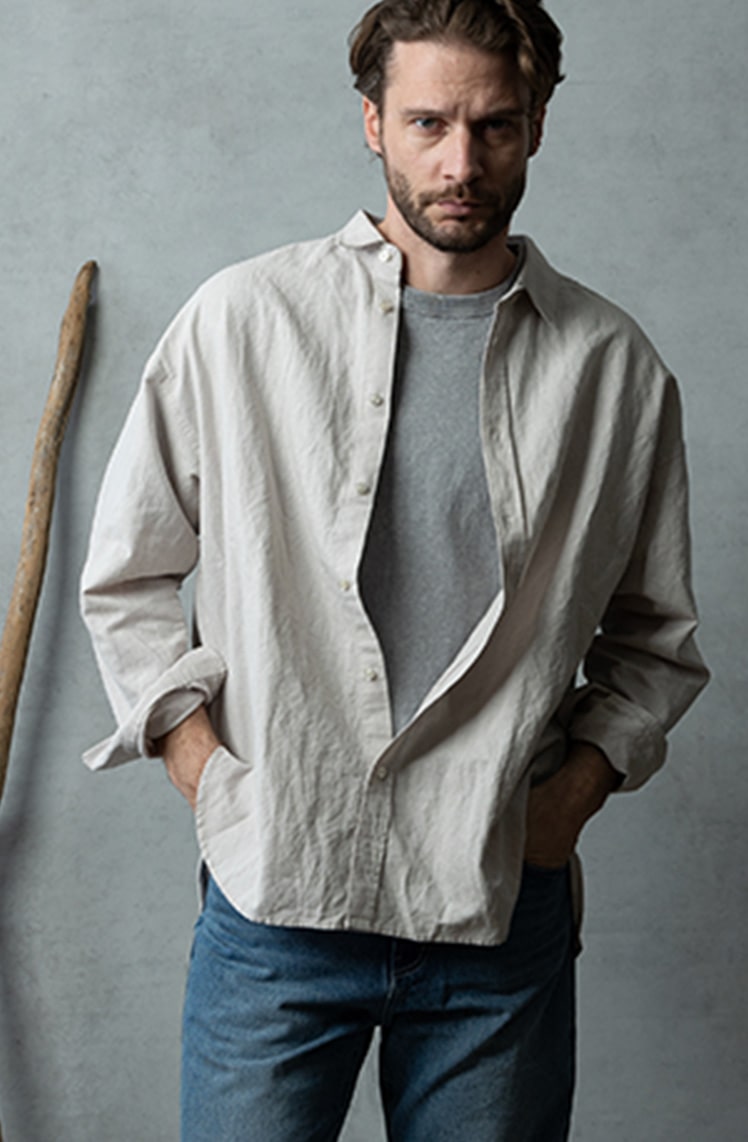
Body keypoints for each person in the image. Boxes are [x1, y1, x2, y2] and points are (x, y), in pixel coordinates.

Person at [80, 1, 709, 1139]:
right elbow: (126, 576)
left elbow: (655, 640)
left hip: (495, 910)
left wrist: (564, 805)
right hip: (277, 896)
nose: (460, 163)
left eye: (495, 125)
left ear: (537, 125)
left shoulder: (614, 371)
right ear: (372, 121)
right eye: (427, 123)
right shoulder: (241, 322)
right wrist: (204, 769)